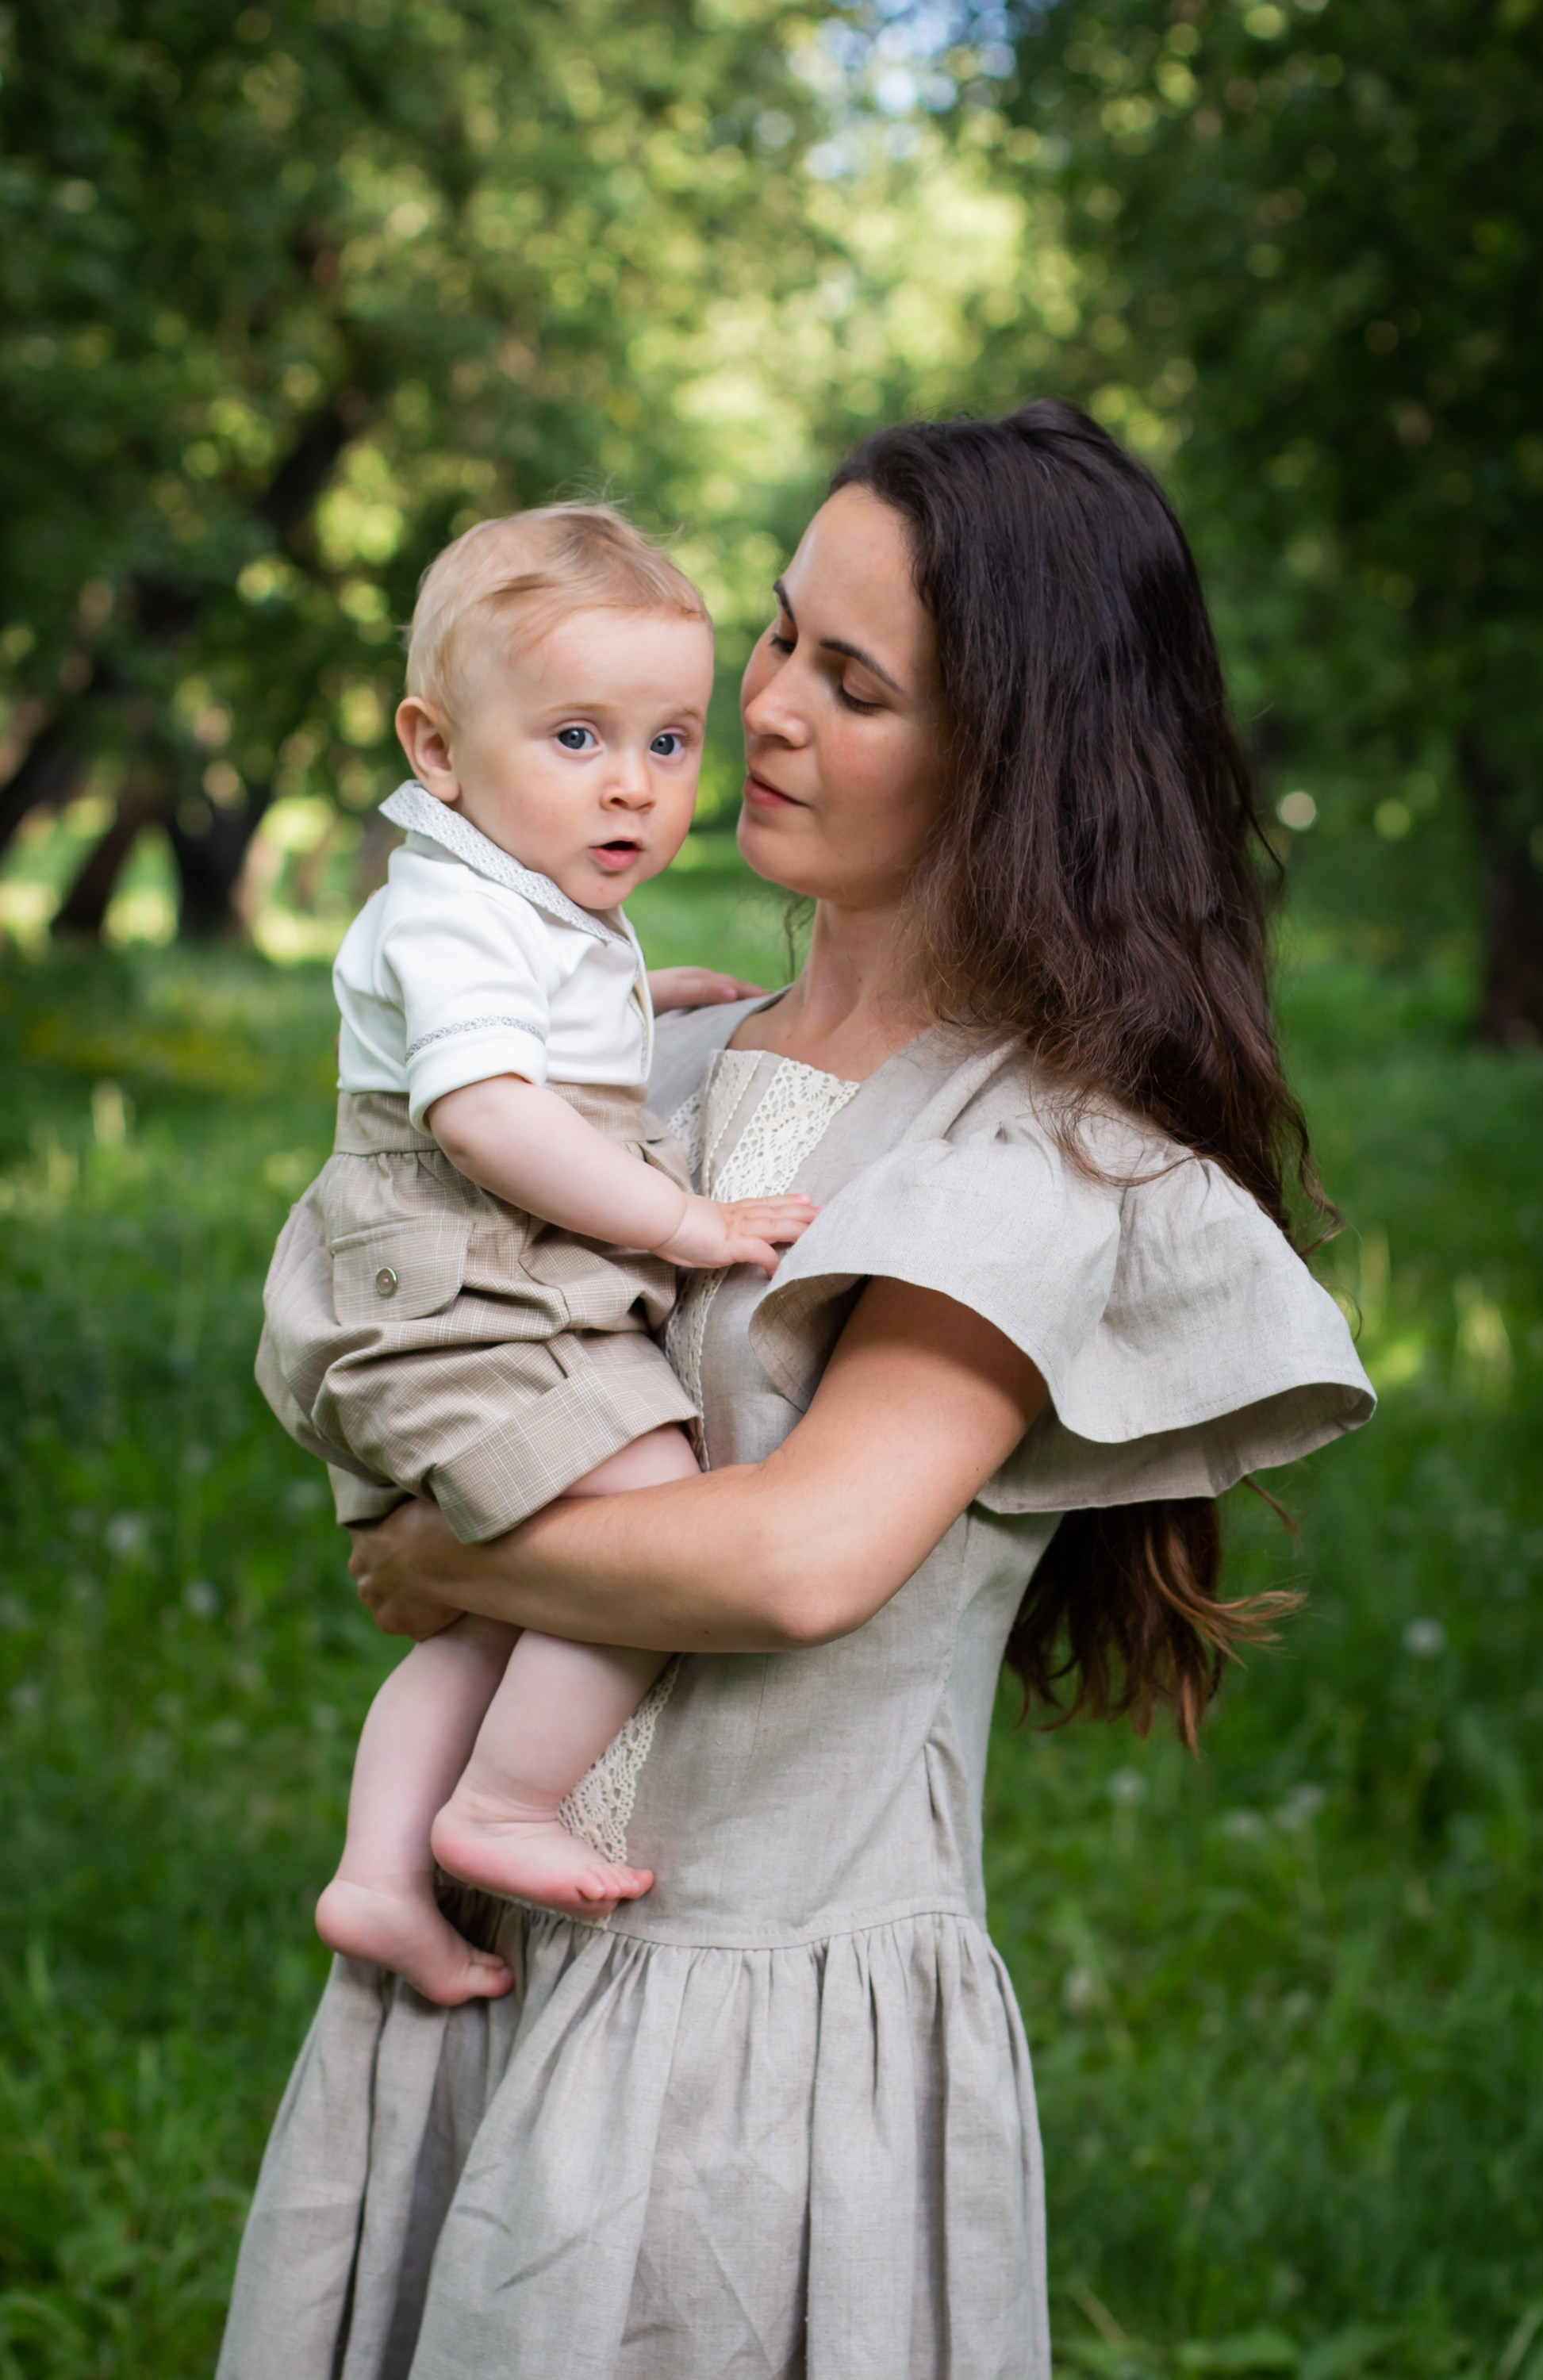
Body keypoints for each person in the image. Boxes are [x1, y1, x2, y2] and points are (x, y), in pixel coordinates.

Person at [219, 401, 1374, 2380]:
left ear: (1014, 757)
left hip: (742, 2056)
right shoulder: (644, 1066)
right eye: (772, 635)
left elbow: (793, 1559)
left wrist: (453, 1561)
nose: (759, 708)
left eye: (853, 682)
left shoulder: (1041, 1159)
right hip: (485, 1979)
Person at [255, 504, 812, 2006]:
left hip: (472, 1292)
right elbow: (493, 1115)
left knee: (527, 1598)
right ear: (436, 750)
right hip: (462, 1289)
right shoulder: (446, 907)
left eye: (670, 741)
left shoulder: (529, 896)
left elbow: (548, 1034)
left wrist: (646, 1009)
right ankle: (498, 1807)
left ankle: (379, 1874)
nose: (633, 785)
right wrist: (688, 1224)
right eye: (576, 738)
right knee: (654, 1534)